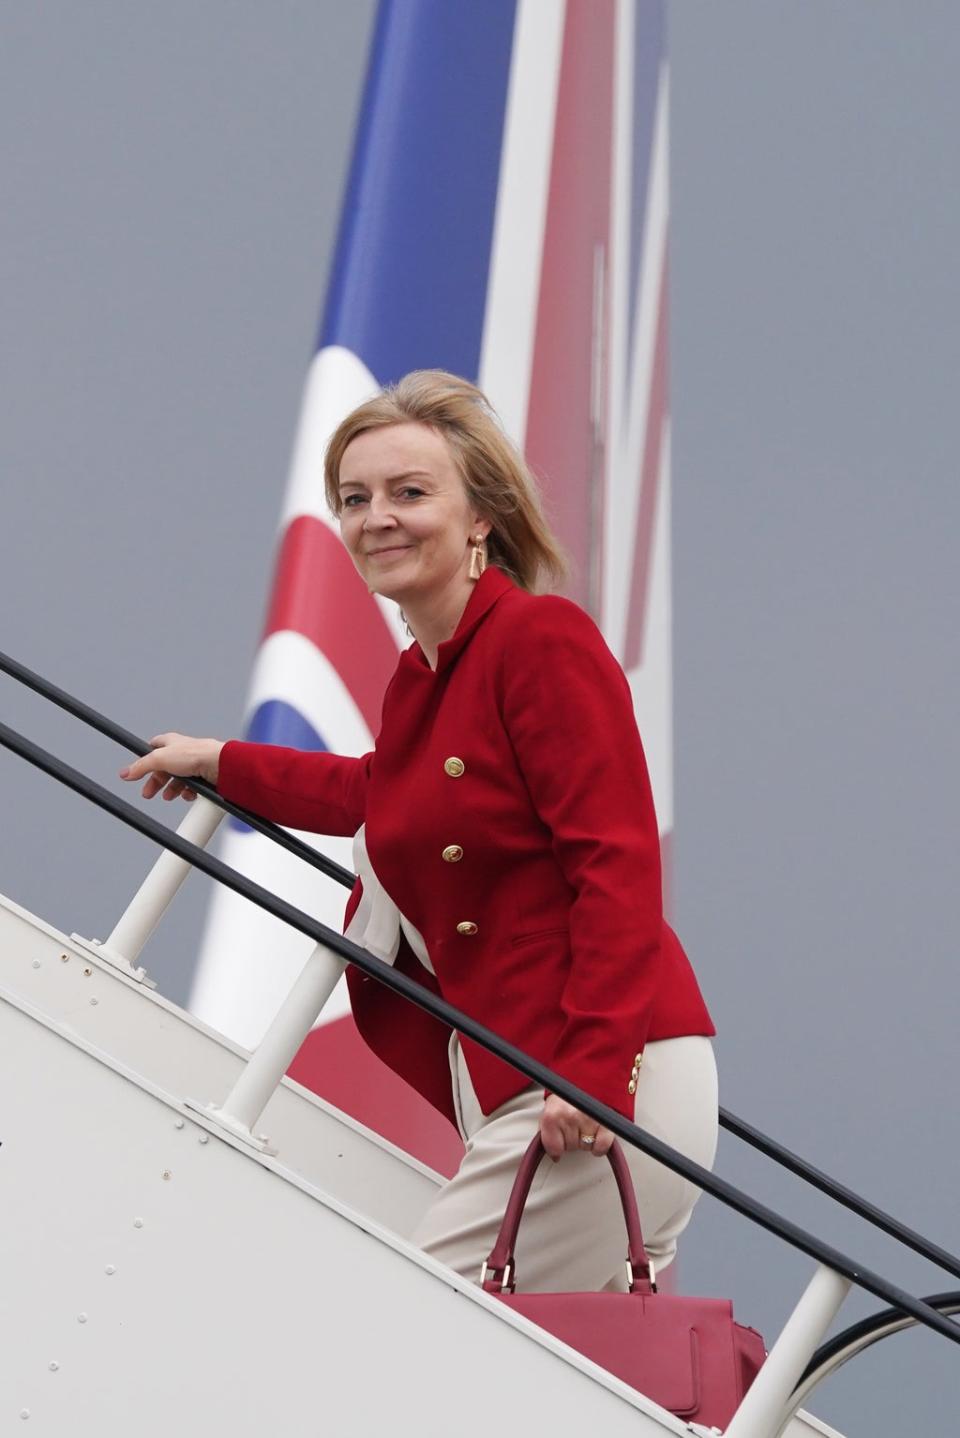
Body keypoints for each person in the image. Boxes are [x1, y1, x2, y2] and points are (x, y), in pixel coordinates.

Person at [120, 369, 717, 1294]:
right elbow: (379, 791)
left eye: (409, 492)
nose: (377, 518)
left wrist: (593, 1072)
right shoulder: (425, 676)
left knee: (407, 1323)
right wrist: (223, 763)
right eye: (355, 499)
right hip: (521, 1077)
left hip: (597, 1066)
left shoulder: (538, 640)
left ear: (480, 516)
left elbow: (618, 862)